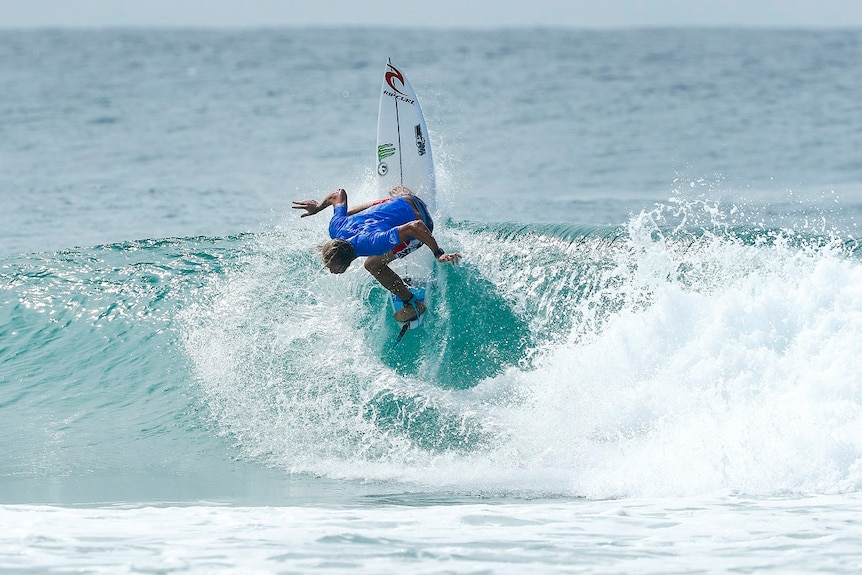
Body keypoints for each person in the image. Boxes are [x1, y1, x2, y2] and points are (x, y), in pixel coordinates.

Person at [292, 186, 461, 322]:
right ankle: (402, 193)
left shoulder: (373, 243)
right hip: (403, 200)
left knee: (372, 265)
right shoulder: (336, 228)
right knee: (349, 214)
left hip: (423, 220)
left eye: (331, 266)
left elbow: (415, 226)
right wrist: (318, 207)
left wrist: (438, 253)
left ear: (344, 262)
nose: (330, 270)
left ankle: (411, 303)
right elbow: (339, 194)